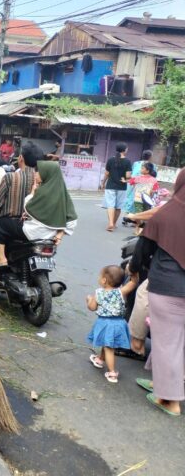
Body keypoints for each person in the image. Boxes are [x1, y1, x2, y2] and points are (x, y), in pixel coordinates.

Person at [129, 168, 185, 416]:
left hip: (168, 288)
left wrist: (133, 270)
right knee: (175, 341)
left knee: (166, 342)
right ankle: (160, 383)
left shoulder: (168, 213)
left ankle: (169, 400)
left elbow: (143, 248)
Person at [0, 142, 43, 266]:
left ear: (21, 158)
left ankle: (1, 258)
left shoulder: (10, 177)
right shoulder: (42, 179)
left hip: (14, 226)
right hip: (38, 226)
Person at [86, 265, 136, 384]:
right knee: (108, 343)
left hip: (105, 324)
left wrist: (88, 299)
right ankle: (99, 359)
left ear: (104, 280)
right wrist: (132, 272)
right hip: (119, 323)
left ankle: (112, 373)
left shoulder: (99, 293)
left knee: (109, 347)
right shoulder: (121, 292)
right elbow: (133, 283)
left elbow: (92, 308)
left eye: (100, 276)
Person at [101, 142, 132, 232]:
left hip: (110, 185)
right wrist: (126, 179)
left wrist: (103, 183)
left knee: (110, 205)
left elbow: (107, 173)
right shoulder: (127, 161)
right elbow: (128, 176)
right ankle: (114, 224)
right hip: (122, 187)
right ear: (124, 150)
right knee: (118, 207)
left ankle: (110, 223)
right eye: (127, 148)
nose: (127, 150)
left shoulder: (111, 160)